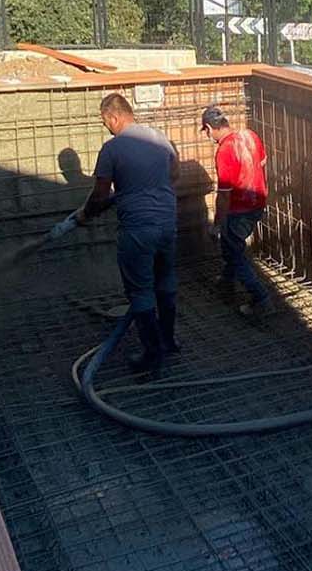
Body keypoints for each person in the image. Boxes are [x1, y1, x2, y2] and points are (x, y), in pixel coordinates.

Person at [80, 92, 179, 372]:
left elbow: (100, 195)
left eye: (105, 121)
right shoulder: (159, 138)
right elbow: (174, 176)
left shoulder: (112, 149)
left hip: (137, 230)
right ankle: (169, 341)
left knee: (140, 292)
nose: (106, 126)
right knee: (166, 284)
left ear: (113, 116)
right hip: (168, 224)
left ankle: (153, 355)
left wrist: (87, 213)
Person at [201, 104, 272, 318]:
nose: (206, 135)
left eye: (205, 131)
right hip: (257, 203)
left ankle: (261, 299)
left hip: (239, 208)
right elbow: (263, 161)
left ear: (208, 127)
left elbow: (224, 195)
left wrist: (216, 224)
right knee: (232, 245)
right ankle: (226, 282)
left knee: (233, 251)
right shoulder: (250, 136)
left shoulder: (224, 151)